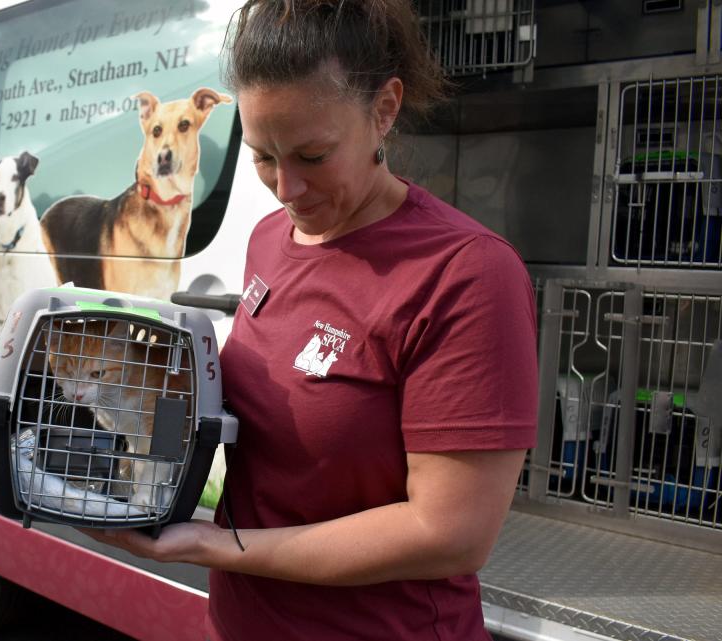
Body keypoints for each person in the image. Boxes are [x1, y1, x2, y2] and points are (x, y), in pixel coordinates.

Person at [84, 1, 538, 639]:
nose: (286, 188)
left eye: (314, 156)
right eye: (263, 156)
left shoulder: (465, 274)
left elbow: (449, 535)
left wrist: (215, 547)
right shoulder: (269, 240)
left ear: (385, 110)